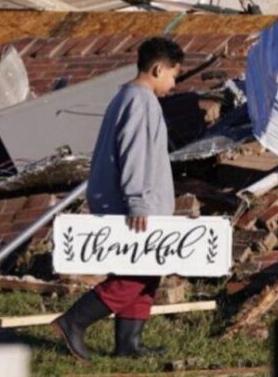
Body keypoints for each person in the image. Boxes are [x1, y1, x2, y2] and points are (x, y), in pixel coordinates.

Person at [54, 36, 184, 360]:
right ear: (157, 69)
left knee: (147, 273)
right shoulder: (141, 101)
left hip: (130, 203)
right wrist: (138, 201)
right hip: (132, 206)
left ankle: (129, 344)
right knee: (132, 277)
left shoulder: (127, 97)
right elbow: (136, 154)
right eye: (173, 75)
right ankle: (73, 321)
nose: (174, 84)